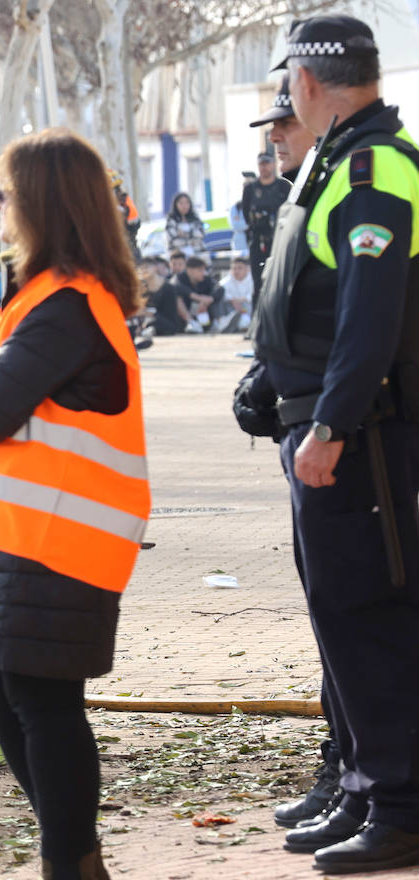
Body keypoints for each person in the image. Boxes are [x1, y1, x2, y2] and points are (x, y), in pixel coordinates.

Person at [0, 128, 150, 880]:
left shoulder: (66, 305)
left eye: (4, 196)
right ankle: (76, 855)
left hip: (55, 541)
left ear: (37, 203)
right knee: (4, 693)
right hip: (30, 535)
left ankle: (70, 861)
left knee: (37, 703)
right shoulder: (54, 298)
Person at [245, 16, 419, 873]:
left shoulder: (376, 166)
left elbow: (371, 317)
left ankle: (400, 805)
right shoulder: (339, 156)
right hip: (320, 424)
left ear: (309, 83)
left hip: (362, 438)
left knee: (368, 613)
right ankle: (360, 785)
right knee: (337, 614)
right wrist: (269, 385)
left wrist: (331, 423)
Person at [243, 141, 293, 293]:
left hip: (279, 237)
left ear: (273, 164)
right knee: (258, 284)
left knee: (280, 279)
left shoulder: (284, 186)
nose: (264, 167)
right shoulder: (251, 189)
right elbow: (246, 213)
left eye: (267, 163)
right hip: (258, 239)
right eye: (261, 164)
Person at [139, 257, 192, 337]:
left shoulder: (168, 287)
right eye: (141, 269)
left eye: (146, 267)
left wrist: (151, 314)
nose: (144, 271)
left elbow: (170, 314)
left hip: (167, 324)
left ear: (155, 268)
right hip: (147, 320)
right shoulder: (142, 289)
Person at [178, 256, 218, 332]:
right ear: (189, 270)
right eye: (200, 270)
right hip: (183, 317)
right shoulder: (180, 277)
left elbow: (219, 288)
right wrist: (197, 297)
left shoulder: (205, 279)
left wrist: (209, 299)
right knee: (177, 298)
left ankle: (218, 322)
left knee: (217, 297)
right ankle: (191, 323)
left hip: (202, 312)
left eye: (204, 270)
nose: (203, 273)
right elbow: (176, 287)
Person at [215, 257, 254, 333]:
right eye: (234, 268)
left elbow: (252, 295)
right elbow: (220, 293)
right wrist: (232, 300)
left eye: (240, 268)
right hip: (232, 309)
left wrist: (239, 300)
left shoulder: (252, 280)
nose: (236, 271)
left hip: (248, 309)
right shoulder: (226, 281)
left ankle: (243, 323)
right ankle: (225, 321)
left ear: (247, 269)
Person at [165, 193, 206, 257]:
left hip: (197, 254)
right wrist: (191, 240)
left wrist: (184, 234)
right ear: (176, 205)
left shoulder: (195, 218)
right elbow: (172, 238)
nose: (184, 206)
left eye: (187, 203)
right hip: (178, 256)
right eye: (181, 203)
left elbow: (200, 233)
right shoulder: (171, 220)